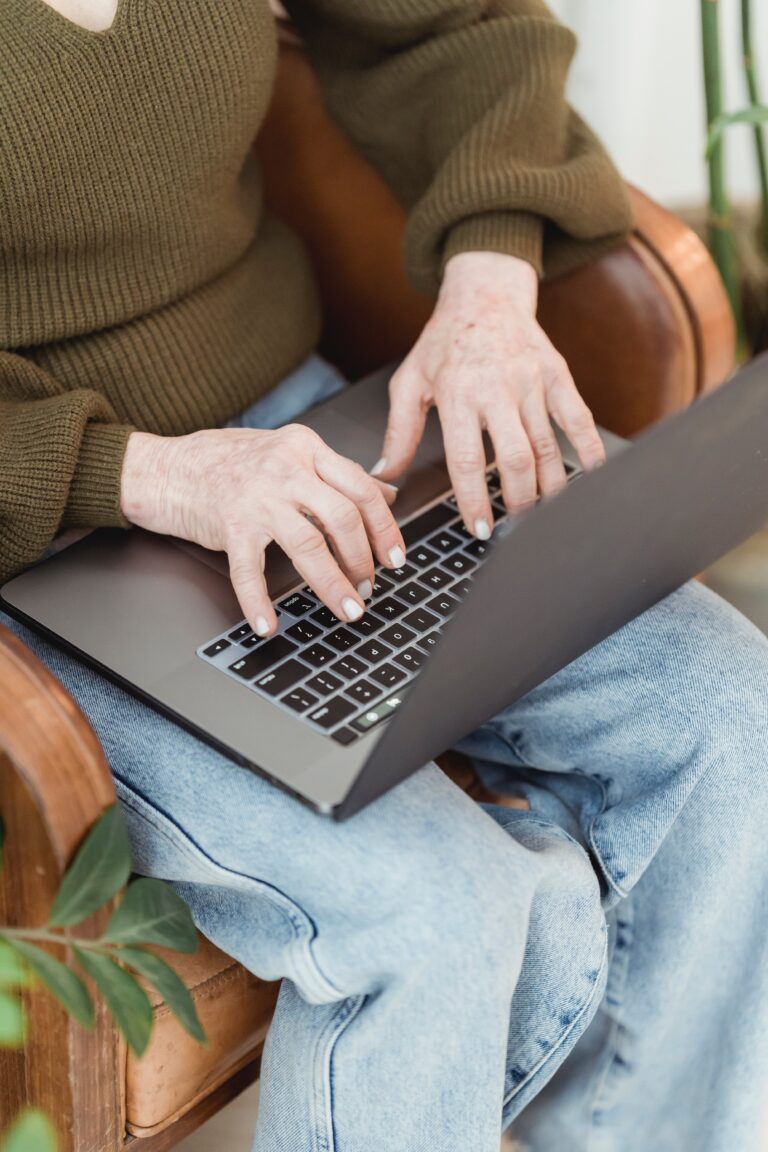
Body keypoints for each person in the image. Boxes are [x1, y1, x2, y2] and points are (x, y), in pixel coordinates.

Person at [2, 2, 768, 1150]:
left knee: (731, 714)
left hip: (308, 435)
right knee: (441, 915)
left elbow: (453, 25)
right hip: (42, 544)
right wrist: (141, 473)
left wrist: (491, 283)